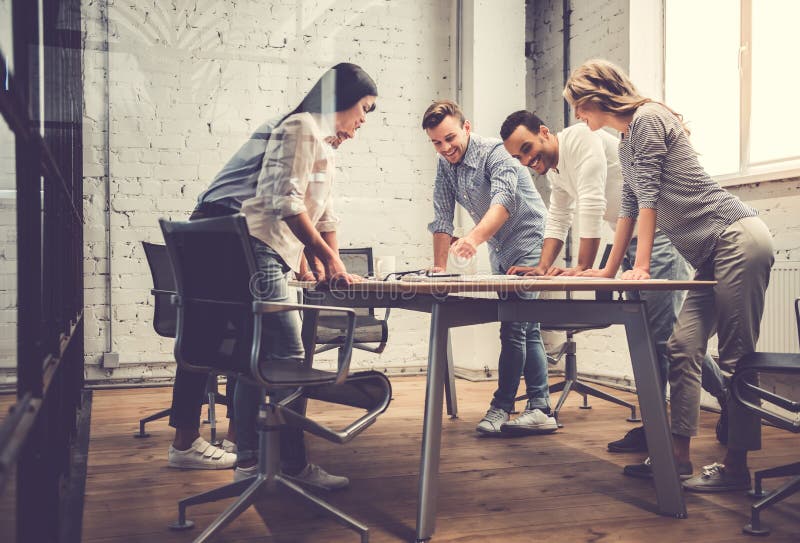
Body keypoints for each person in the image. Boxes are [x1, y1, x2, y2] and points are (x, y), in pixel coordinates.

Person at [563, 59, 774, 491]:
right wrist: (607, 269)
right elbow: (627, 205)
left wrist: (640, 265)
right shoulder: (625, 140)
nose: (577, 117)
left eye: (576, 108)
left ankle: (736, 470)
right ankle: (676, 460)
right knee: (681, 347)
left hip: (738, 238)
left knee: (737, 359)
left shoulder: (649, 118)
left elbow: (651, 199)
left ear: (591, 99)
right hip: (713, 253)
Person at [499, 110, 727, 453]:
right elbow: (559, 216)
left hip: (660, 237)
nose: (528, 160)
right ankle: (664, 422)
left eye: (528, 149)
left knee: (664, 339)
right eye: (519, 157)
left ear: (544, 133)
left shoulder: (580, 139)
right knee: (653, 338)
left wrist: (582, 267)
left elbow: (592, 201)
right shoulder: (556, 171)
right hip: (629, 243)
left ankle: (715, 406)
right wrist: (542, 266)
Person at [232, 62, 377, 489]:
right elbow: (285, 202)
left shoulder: (322, 144)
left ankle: (249, 462)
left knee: (256, 360)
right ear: (345, 99)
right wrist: (329, 260)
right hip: (261, 251)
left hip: (270, 253)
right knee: (291, 360)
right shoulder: (301, 127)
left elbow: (323, 212)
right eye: (364, 109)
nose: (363, 121)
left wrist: (319, 260)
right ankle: (292, 466)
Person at [422, 100, 557, 436]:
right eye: (437, 142)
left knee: (514, 327)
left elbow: (503, 202)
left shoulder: (495, 152)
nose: (446, 148)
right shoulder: (445, 163)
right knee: (526, 327)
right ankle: (541, 408)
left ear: (466, 128)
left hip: (529, 240)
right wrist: (440, 269)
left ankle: (501, 407)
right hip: (499, 246)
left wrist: (472, 239)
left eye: (450, 138)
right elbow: (441, 216)